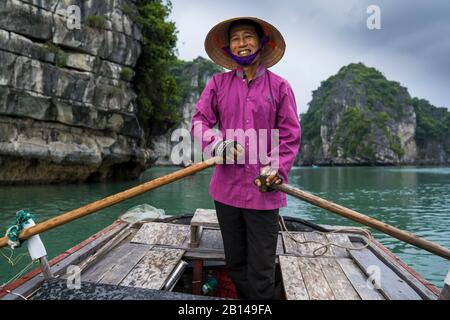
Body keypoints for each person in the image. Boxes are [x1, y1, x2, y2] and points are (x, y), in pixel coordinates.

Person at [191, 17, 301, 300]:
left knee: (262, 269)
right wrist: (217, 144)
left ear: (261, 43)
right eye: (236, 38)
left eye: (248, 36)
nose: (242, 43)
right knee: (237, 263)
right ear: (229, 47)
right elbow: (199, 122)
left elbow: (290, 135)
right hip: (226, 190)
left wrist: (276, 168)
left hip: (263, 190)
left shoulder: (280, 87)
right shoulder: (217, 83)